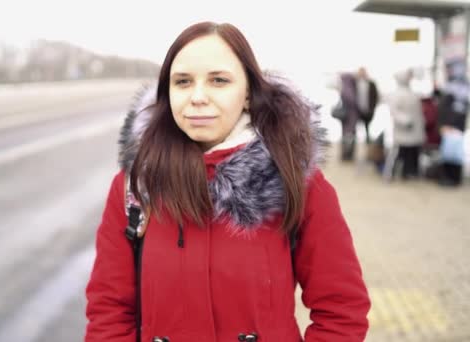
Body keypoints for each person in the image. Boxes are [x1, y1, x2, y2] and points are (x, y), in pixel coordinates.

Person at [85, 22, 370, 342]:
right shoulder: (137, 187)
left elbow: (342, 309)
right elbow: (108, 310)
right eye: (182, 82)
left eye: (219, 81)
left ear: (248, 94)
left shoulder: (296, 182)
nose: (197, 97)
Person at [383, 69, 426, 181]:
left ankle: (408, 172)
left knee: (411, 153)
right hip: (403, 130)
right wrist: (406, 121)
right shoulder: (396, 94)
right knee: (398, 153)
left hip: (415, 131)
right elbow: (394, 111)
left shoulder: (412, 93)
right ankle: (391, 173)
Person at [355, 67, 380, 144]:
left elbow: (375, 96)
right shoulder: (354, 83)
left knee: (367, 128)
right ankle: (356, 145)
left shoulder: (371, 83)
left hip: (368, 110)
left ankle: (368, 145)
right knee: (355, 128)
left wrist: (372, 108)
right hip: (357, 110)